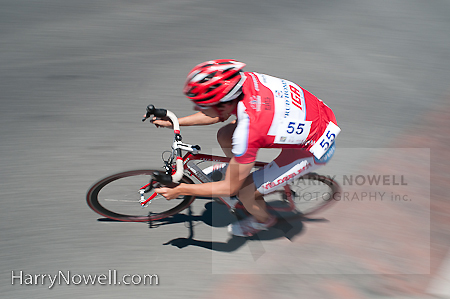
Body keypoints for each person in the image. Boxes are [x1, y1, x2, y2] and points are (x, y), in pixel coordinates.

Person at [153, 59, 340, 237]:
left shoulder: (249, 131)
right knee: (225, 135)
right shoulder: (245, 81)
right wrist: (174, 122)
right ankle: (235, 168)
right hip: (309, 117)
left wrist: (181, 190)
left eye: (203, 105)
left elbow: (229, 188)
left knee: (244, 191)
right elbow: (219, 115)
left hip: (311, 149)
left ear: (224, 103)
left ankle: (263, 221)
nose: (196, 108)